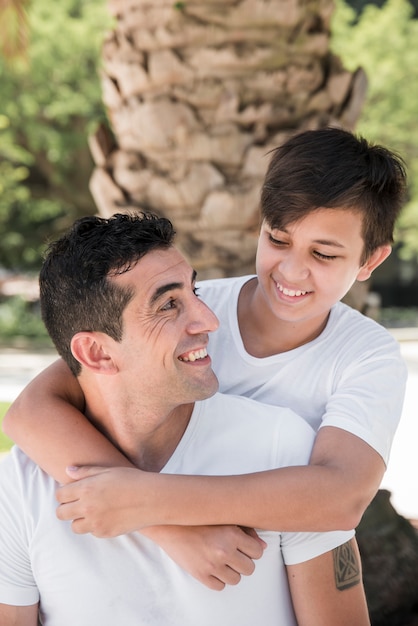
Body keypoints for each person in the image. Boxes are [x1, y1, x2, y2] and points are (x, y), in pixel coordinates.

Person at [3, 127, 408, 588]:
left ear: (370, 261)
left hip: (277, 578)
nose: (292, 270)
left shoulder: (367, 356)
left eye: (324, 254)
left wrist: (153, 503)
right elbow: (30, 412)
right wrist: (166, 530)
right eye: (278, 239)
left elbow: (341, 496)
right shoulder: (189, 314)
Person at [0, 213, 370, 626]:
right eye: (169, 305)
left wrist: (156, 508)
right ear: (98, 354)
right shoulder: (18, 487)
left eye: (194, 292)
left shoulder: (283, 449)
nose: (210, 321)